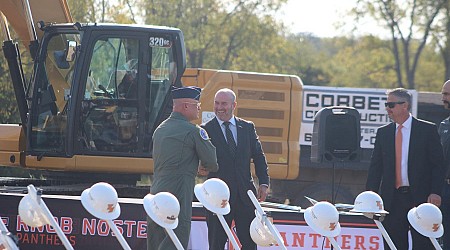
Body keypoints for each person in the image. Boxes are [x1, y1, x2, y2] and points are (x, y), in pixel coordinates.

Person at [366, 88, 445, 250]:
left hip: (421, 199)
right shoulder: (384, 133)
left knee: (423, 244)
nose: (387, 108)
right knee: (393, 244)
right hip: (392, 200)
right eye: (386, 104)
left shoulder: (427, 130)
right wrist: (370, 197)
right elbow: (375, 168)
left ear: (405, 106)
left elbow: (438, 165)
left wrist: (436, 191)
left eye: (391, 104)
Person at [147, 86, 218, 250]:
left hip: (157, 188)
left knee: (156, 234)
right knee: (177, 233)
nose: (199, 109)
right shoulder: (193, 131)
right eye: (197, 105)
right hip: (180, 189)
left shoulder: (160, 129)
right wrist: (203, 166)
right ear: (186, 106)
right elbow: (212, 161)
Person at [202, 88, 270, 250]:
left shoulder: (247, 128)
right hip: (217, 198)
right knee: (216, 243)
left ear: (234, 105)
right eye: (216, 103)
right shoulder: (205, 129)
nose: (219, 107)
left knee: (249, 243)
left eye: (224, 103)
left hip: (245, 196)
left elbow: (259, 157)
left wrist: (264, 183)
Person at [439, 79, 450, 250]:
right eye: (443, 94)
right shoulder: (444, 125)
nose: (444, 98)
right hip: (445, 189)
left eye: (447, 94)